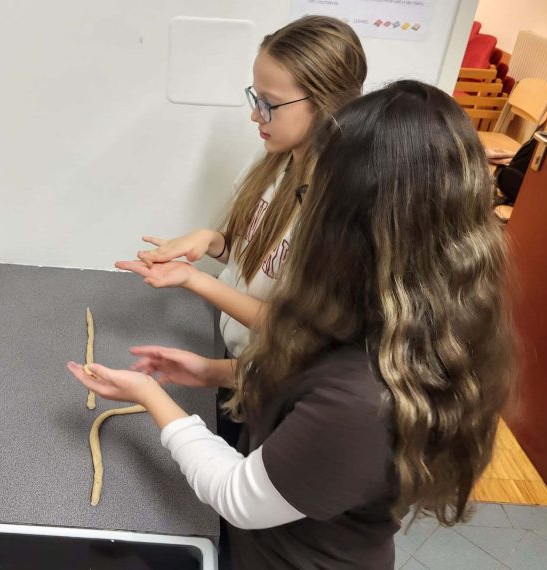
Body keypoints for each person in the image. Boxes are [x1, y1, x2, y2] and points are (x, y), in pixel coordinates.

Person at [68, 80, 516, 569]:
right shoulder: (377, 312)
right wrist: (214, 372)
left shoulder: (365, 400)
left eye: (315, 196)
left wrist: (151, 396)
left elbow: (237, 494)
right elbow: (310, 374)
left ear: (351, 223)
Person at [116, 15, 367, 448]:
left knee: (244, 492)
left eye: (269, 102)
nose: (255, 114)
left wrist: (192, 280)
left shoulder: (341, 205)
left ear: (326, 102)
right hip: (239, 365)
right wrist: (210, 241)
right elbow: (252, 252)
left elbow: (295, 328)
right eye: (255, 96)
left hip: (283, 385)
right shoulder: (273, 158)